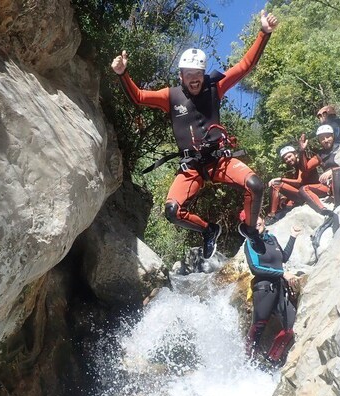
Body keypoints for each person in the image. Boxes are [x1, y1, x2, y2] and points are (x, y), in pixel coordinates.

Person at [110, 11, 280, 259]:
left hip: (220, 160)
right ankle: (209, 230)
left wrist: (263, 32)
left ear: (203, 74)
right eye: (188, 74)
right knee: (171, 211)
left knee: (255, 184)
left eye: (198, 74)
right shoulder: (171, 96)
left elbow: (245, 66)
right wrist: (122, 74)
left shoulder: (215, 87)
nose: (194, 79)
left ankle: (250, 229)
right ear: (181, 76)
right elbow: (139, 97)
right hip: (191, 167)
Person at [243, 215, 301, 366]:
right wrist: (282, 274)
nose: (256, 223)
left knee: (290, 326)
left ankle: (271, 360)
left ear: (263, 220)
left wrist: (293, 236)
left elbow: (284, 258)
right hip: (264, 289)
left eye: (257, 219)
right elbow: (255, 268)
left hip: (280, 288)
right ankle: (247, 364)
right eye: (251, 223)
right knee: (259, 327)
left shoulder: (272, 238)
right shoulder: (250, 243)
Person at [267, 137, 336, 221]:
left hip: (314, 190)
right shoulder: (295, 168)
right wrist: (285, 196)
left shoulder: (303, 163)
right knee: (281, 193)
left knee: (276, 185)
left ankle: (272, 215)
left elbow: (299, 181)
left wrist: (281, 179)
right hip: (303, 191)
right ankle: (273, 215)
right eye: (286, 159)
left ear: (295, 154)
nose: (288, 159)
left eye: (289, 156)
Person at [315, 124, 340, 207]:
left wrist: (331, 171)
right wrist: (302, 151)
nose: (325, 140)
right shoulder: (320, 154)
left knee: (337, 172)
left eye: (328, 137)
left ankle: (338, 205)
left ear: (333, 136)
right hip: (329, 183)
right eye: (322, 138)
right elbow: (306, 168)